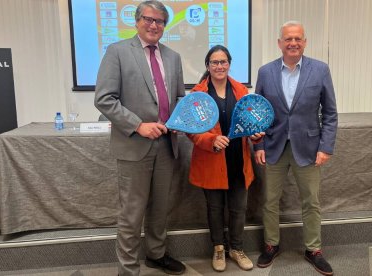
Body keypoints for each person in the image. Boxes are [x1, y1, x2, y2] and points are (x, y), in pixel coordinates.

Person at [94, 1, 186, 275]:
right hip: (134, 145)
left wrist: (183, 119)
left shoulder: (173, 57)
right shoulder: (117, 52)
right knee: (132, 215)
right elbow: (104, 99)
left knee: (160, 209)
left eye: (159, 21)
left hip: (167, 146)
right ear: (137, 21)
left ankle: (156, 255)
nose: (154, 25)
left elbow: (179, 97)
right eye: (148, 19)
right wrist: (138, 125)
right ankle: (128, 269)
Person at [254, 21, 338, 276]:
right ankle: (271, 244)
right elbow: (257, 112)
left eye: (298, 39)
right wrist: (258, 144)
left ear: (305, 42)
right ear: (279, 43)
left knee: (311, 202)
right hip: (273, 146)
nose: (293, 43)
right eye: (288, 39)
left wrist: (325, 146)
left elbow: (331, 113)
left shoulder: (320, 70)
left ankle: (313, 249)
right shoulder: (266, 72)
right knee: (269, 201)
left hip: (310, 148)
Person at [187, 45, 264, 272]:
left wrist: (254, 134)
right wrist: (210, 140)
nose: (219, 66)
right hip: (211, 162)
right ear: (207, 66)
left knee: (238, 209)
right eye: (214, 62)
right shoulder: (198, 94)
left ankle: (237, 249)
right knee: (215, 208)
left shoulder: (241, 90)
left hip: (238, 162)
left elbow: (249, 124)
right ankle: (219, 248)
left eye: (223, 62)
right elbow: (191, 130)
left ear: (229, 64)